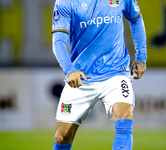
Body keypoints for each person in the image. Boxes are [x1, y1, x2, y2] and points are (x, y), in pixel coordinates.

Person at [52, 0, 147, 149]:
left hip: (116, 72)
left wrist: (141, 57)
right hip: (81, 77)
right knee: (61, 137)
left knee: (125, 117)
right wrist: (69, 70)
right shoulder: (65, 2)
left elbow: (136, 19)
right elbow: (58, 42)